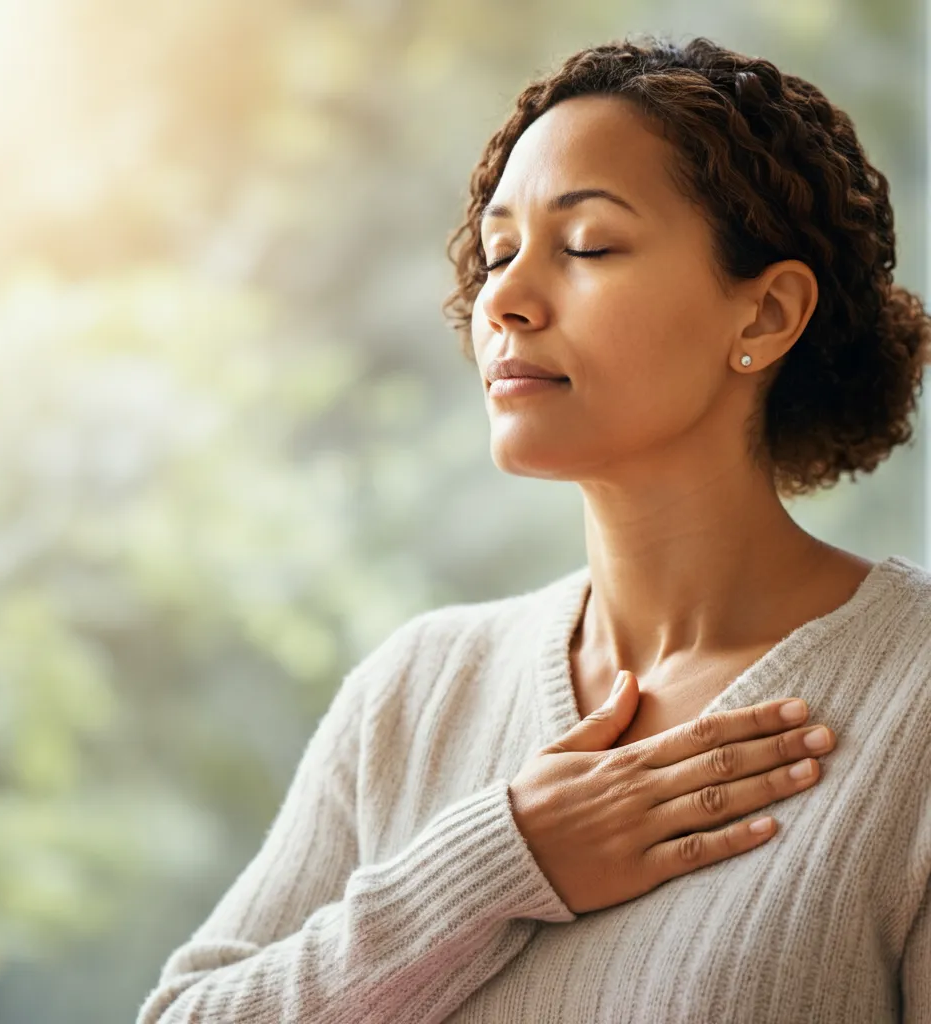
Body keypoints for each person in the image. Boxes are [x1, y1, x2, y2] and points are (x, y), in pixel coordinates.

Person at [136, 35, 931, 1023]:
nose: (503, 299)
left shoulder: (916, 696)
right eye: (498, 249)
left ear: (765, 314)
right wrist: (497, 863)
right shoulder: (417, 689)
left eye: (587, 245)